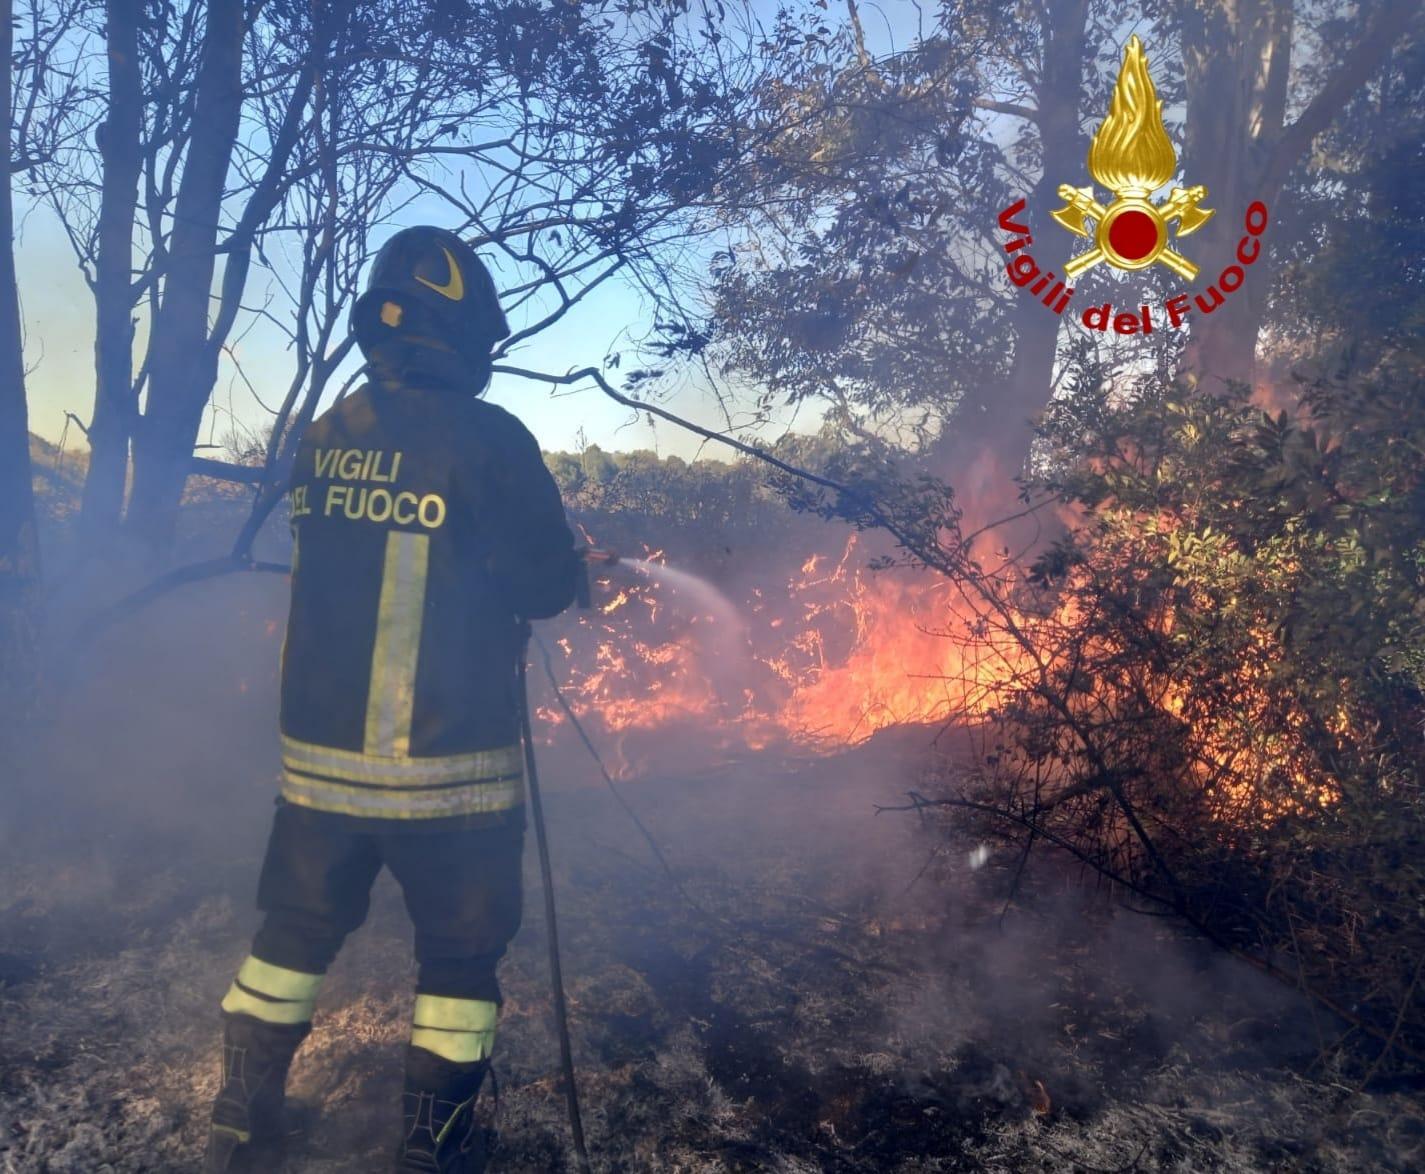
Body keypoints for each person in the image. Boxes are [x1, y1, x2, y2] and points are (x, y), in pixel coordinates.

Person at [204, 226, 583, 1173]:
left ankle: (243, 1117)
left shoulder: (327, 435)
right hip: (449, 781)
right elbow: (537, 584)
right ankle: (433, 1147)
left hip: (319, 774)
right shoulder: (493, 439)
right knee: (457, 969)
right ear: (464, 339)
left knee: (289, 938)